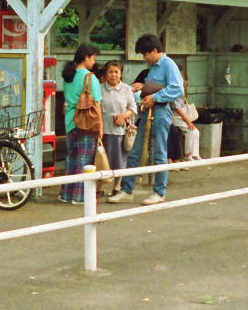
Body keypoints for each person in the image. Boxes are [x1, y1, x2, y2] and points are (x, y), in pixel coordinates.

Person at [109, 34, 183, 206]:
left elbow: (177, 89)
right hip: (147, 112)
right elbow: (157, 87)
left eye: (145, 54)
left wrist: (155, 97)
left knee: (159, 152)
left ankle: (159, 192)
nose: (144, 57)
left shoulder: (168, 65)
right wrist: (143, 88)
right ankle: (127, 190)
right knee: (135, 151)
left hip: (161, 112)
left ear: (154, 50)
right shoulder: (154, 67)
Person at [59, 43, 102, 204]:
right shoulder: (90, 78)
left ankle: (66, 194)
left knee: (71, 157)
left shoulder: (68, 76)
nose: (94, 62)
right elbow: (96, 104)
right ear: (87, 57)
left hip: (70, 121)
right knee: (84, 159)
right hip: (86, 122)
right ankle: (79, 196)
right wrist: (100, 126)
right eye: (93, 58)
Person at [99, 60, 136, 195]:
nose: (113, 75)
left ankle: (116, 187)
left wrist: (123, 115)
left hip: (121, 132)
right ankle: (100, 188)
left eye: (116, 72)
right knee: (103, 160)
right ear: (106, 73)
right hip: (104, 131)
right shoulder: (99, 88)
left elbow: (133, 107)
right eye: (110, 72)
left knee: (120, 160)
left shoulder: (126, 89)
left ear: (121, 73)